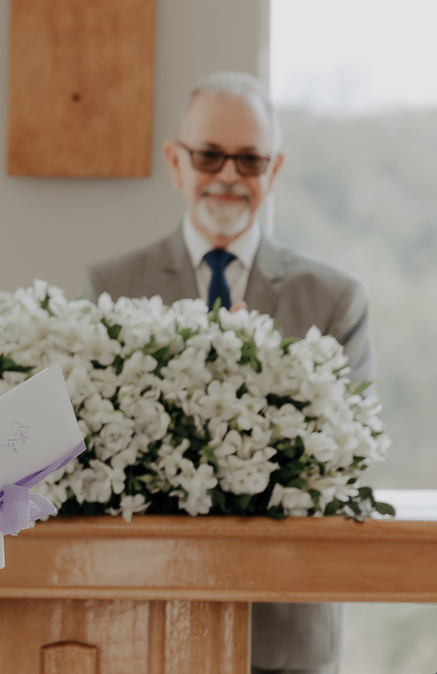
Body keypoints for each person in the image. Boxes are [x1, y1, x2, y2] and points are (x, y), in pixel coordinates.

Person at [83, 71, 372, 674]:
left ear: (275, 169)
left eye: (250, 160)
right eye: (210, 154)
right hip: (145, 614)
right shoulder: (113, 288)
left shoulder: (334, 299)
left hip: (285, 626)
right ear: (176, 161)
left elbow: (349, 464)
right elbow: (97, 457)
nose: (229, 177)